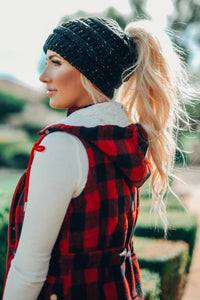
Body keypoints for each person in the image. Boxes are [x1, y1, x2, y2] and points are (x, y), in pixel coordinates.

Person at [3, 17, 192, 300]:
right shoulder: (124, 140)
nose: (43, 76)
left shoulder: (61, 146)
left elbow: (30, 268)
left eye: (56, 62)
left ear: (90, 71)